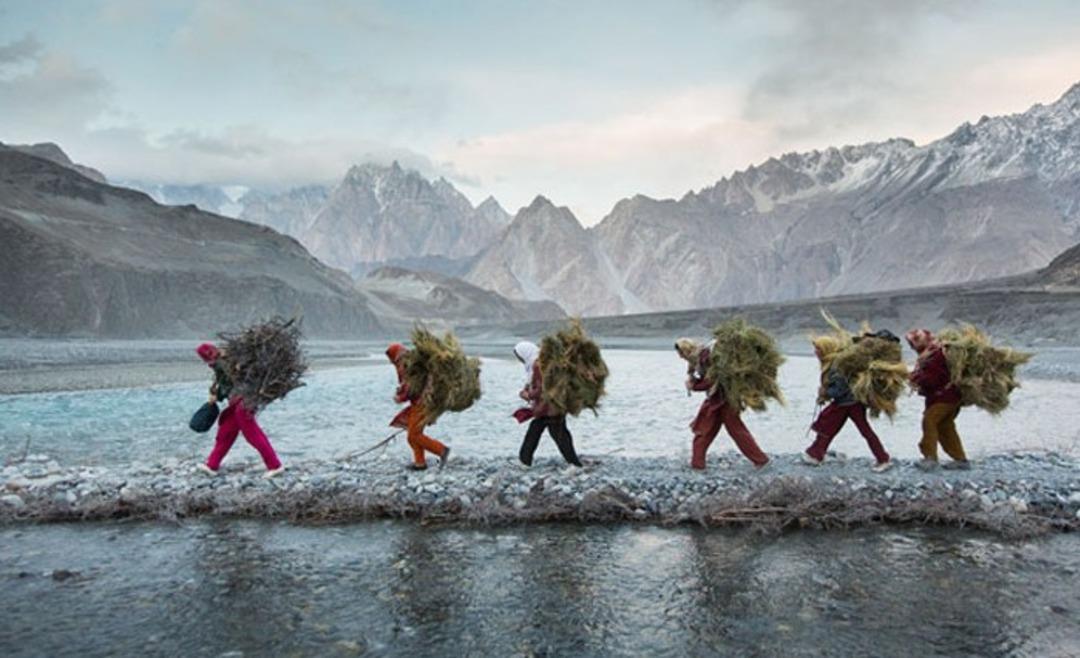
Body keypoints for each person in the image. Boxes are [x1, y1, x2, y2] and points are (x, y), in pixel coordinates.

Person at [802, 335, 894, 472]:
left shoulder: (836, 366)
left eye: (818, 349)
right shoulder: (835, 363)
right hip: (849, 402)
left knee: (839, 427)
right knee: (830, 427)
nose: (816, 351)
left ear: (826, 349)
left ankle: (883, 459)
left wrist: (825, 393)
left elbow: (840, 389)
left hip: (850, 403)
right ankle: (816, 453)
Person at [675, 338, 769, 470]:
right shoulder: (701, 358)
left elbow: (712, 380)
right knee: (722, 432)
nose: (680, 357)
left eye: (681, 353)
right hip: (722, 399)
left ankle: (697, 466)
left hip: (722, 400)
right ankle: (760, 460)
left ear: (686, 350)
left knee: (710, 432)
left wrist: (693, 386)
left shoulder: (705, 357)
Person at [195, 342, 284, 478]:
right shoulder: (229, 359)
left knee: (251, 433)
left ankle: (275, 465)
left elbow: (230, 384)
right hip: (240, 401)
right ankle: (212, 465)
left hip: (244, 400)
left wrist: (216, 396)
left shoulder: (222, 363)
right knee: (226, 432)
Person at [906, 329, 970, 471]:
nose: (912, 347)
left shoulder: (934, 356)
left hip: (943, 397)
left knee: (929, 422)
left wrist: (914, 378)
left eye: (912, 344)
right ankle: (960, 459)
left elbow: (933, 379)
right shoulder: (934, 352)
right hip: (952, 398)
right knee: (945, 427)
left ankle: (930, 459)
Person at [512, 341, 583, 468]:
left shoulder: (538, 365)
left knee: (552, 434)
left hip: (548, 408)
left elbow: (542, 389)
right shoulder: (545, 362)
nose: (520, 360)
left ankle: (525, 462)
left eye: (519, 357)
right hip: (554, 406)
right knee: (557, 434)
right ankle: (574, 463)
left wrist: (527, 395)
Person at [387, 342, 450, 471]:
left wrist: (399, 397)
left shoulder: (405, 367)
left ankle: (442, 450)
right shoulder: (412, 363)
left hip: (421, 404)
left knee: (414, 435)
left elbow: (411, 389)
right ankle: (420, 463)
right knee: (414, 435)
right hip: (422, 403)